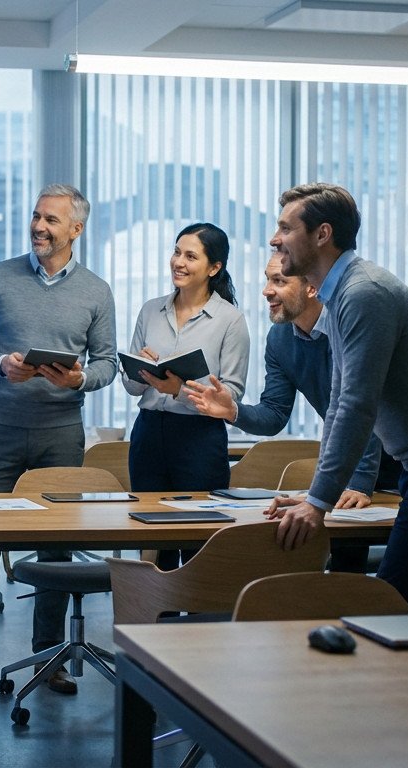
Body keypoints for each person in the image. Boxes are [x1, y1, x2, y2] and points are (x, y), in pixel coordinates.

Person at [263, 182, 408, 614]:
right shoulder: (342, 294)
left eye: (285, 228)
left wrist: (318, 503)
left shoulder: (364, 293)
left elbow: (358, 405)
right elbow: (339, 401)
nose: (274, 239)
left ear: (322, 234)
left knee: (388, 605)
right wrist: (318, 494)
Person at [0, 183, 118, 697]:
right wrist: (0, 364)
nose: (39, 226)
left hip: (61, 433)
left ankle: (50, 658)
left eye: (51, 220)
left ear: (76, 229)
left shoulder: (96, 291)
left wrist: (80, 379)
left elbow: (107, 363)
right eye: (37, 216)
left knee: (56, 550)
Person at [184, 252, 385, 572]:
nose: (266, 290)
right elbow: (275, 414)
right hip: (352, 454)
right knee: (345, 564)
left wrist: (359, 481)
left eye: (279, 280)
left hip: (404, 457)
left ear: (312, 288)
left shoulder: (348, 324)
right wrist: (233, 411)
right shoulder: (279, 338)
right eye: (267, 279)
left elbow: (363, 407)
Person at [122, 222, 249, 569]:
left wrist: (178, 390)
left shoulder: (230, 320)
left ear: (214, 267)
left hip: (199, 439)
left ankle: (196, 606)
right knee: (151, 539)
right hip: (148, 433)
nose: (178, 262)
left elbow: (232, 394)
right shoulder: (150, 310)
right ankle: (153, 605)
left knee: (198, 542)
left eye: (191, 256)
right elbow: (131, 387)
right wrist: (141, 371)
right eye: (177, 252)